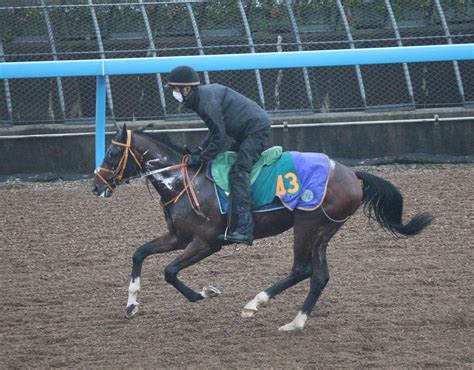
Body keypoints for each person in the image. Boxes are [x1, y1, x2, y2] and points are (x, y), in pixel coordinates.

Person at [167, 65, 272, 246]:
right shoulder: (201, 99)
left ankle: (245, 229)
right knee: (225, 163)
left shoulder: (205, 101)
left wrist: (201, 157)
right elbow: (215, 131)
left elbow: (220, 136)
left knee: (238, 171)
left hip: (255, 131)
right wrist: (199, 151)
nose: (174, 93)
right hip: (243, 132)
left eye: (176, 89)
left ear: (187, 88)